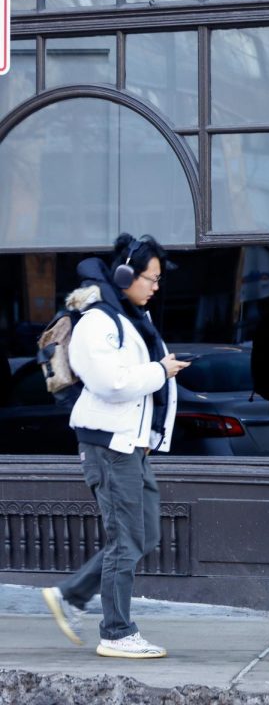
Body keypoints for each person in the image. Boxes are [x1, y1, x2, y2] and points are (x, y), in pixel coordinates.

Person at [41, 233, 190, 659]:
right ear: (126, 273)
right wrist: (160, 370)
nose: (156, 287)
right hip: (109, 446)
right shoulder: (99, 321)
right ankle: (118, 632)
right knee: (126, 539)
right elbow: (112, 383)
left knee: (144, 535)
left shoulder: (129, 318)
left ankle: (71, 595)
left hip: (132, 446)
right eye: (151, 278)